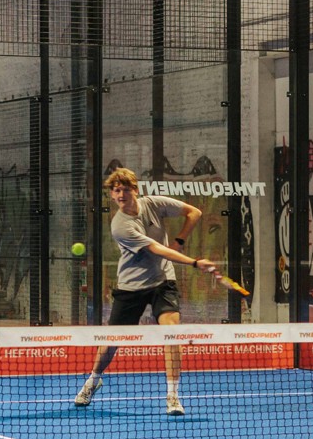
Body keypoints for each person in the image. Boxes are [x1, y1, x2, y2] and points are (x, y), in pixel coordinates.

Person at [74, 166, 216, 415]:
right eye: (116, 191)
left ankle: (173, 395)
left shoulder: (154, 204)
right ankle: (93, 380)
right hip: (132, 286)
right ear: (112, 194)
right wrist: (194, 262)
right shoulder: (120, 226)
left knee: (172, 333)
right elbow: (156, 249)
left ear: (135, 190)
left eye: (125, 190)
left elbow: (194, 213)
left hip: (162, 282)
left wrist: (180, 240)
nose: (120, 195)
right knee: (111, 342)